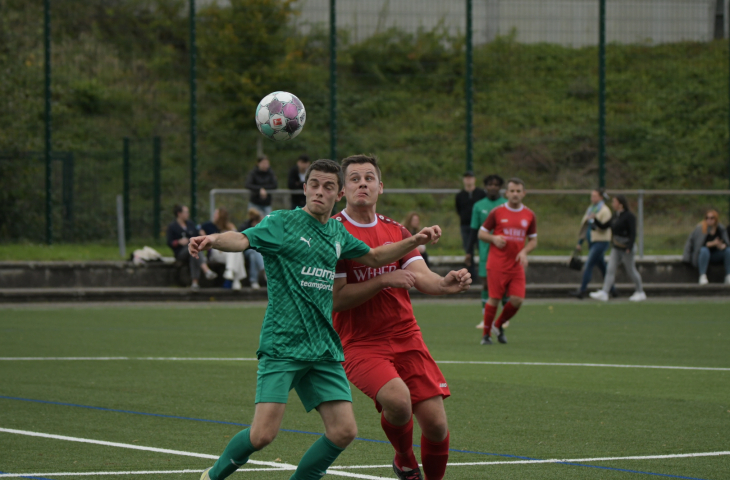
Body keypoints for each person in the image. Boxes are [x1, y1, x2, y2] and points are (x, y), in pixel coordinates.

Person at [189, 159, 444, 480]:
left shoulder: (337, 232)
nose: (319, 192)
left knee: (344, 431)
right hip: (284, 345)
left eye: (327, 187)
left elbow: (376, 256)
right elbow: (242, 239)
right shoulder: (282, 223)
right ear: (304, 188)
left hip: (324, 349)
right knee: (263, 435)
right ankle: (212, 476)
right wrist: (213, 239)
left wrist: (414, 240)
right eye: (313, 185)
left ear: (338, 194)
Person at [332, 154, 471, 480]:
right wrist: (382, 279)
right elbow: (337, 300)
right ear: (342, 190)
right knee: (398, 401)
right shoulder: (333, 233)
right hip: (360, 342)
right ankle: (405, 460)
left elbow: (421, 276)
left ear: (381, 187)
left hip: (406, 336)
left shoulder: (396, 230)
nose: (362, 183)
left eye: (369, 177)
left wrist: (444, 284)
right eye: (354, 178)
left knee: (436, 425)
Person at [478, 178, 538, 345]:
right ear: (507, 193)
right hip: (497, 263)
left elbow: (533, 240)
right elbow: (481, 233)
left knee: (517, 299)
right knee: (494, 298)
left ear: (524, 193)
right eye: (512, 191)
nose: (515, 194)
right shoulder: (497, 212)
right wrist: (493, 238)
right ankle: (486, 335)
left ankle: (498, 324)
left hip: (516, 264)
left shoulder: (529, 215)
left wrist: (524, 251)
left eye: (518, 191)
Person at [466, 174, 506, 328]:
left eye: (496, 184)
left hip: (504, 253)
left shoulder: (506, 205)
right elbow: (473, 230)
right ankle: (486, 319)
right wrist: (469, 251)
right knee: (486, 285)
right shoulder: (479, 206)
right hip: (485, 252)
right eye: (490, 184)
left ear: (500, 187)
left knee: (504, 286)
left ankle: (503, 318)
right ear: (486, 187)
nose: (493, 187)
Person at [589, 195, 647, 302]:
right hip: (617, 247)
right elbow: (605, 226)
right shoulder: (616, 215)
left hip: (626, 248)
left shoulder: (629, 216)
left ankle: (640, 291)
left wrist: (629, 247)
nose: (612, 204)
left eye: (614, 202)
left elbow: (633, 233)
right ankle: (605, 292)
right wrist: (595, 220)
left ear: (620, 204)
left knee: (631, 270)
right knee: (610, 269)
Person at [569, 189, 617, 299]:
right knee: (602, 267)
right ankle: (613, 289)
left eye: (595, 196)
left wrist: (595, 221)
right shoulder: (591, 209)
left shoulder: (605, 211)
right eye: (592, 196)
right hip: (592, 241)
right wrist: (580, 242)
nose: (592, 198)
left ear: (601, 197)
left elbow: (605, 227)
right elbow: (586, 226)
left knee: (589, 265)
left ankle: (582, 290)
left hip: (601, 242)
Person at [165, 204, 217, 289]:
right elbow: (169, 242)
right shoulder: (172, 227)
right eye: (186, 212)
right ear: (179, 213)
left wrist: (201, 233)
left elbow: (197, 233)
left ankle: (195, 283)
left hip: (191, 250)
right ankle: (206, 270)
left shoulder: (190, 224)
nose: (188, 214)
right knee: (193, 249)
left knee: (194, 254)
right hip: (180, 252)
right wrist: (178, 242)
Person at [200, 208, 246, 290]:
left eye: (216, 213)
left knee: (236, 250)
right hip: (214, 252)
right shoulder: (207, 226)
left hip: (227, 252)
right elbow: (201, 235)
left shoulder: (229, 227)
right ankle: (236, 279)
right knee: (235, 251)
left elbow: (238, 240)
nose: (214, 215)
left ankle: (230, 272)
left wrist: (233, 230)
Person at [682, 209, 730, 285]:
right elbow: (693, 244)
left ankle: (728, 276)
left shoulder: (720, 229)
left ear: (716, 219)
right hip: (702, 256)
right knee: (704, 250)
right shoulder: (700, 228)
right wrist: (713, 243)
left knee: (728, 251)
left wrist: (722, 246)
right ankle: (702, 275)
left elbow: (726, 242)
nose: (709, 220)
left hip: (716, 255)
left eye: (712, 218)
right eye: (707, 218)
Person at [455, 171, 486, 277]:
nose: (468, 180)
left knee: (481, 248)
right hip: (465, 225)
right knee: (469, 250)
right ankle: (471, 274)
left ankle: (483, 271)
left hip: (479, 226)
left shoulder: (481, 193)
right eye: (466, 178)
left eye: (470, 178)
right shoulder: (460, 195)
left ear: (474, 179)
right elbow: (458, 209)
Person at [238, 208, 266, 289]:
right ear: (254, 222)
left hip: (257, 253)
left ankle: (254, 281)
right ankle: (265, 271)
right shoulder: (245, 227)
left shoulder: (262, 229)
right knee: (254, 252)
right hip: (245, 251)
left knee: (254, 256)